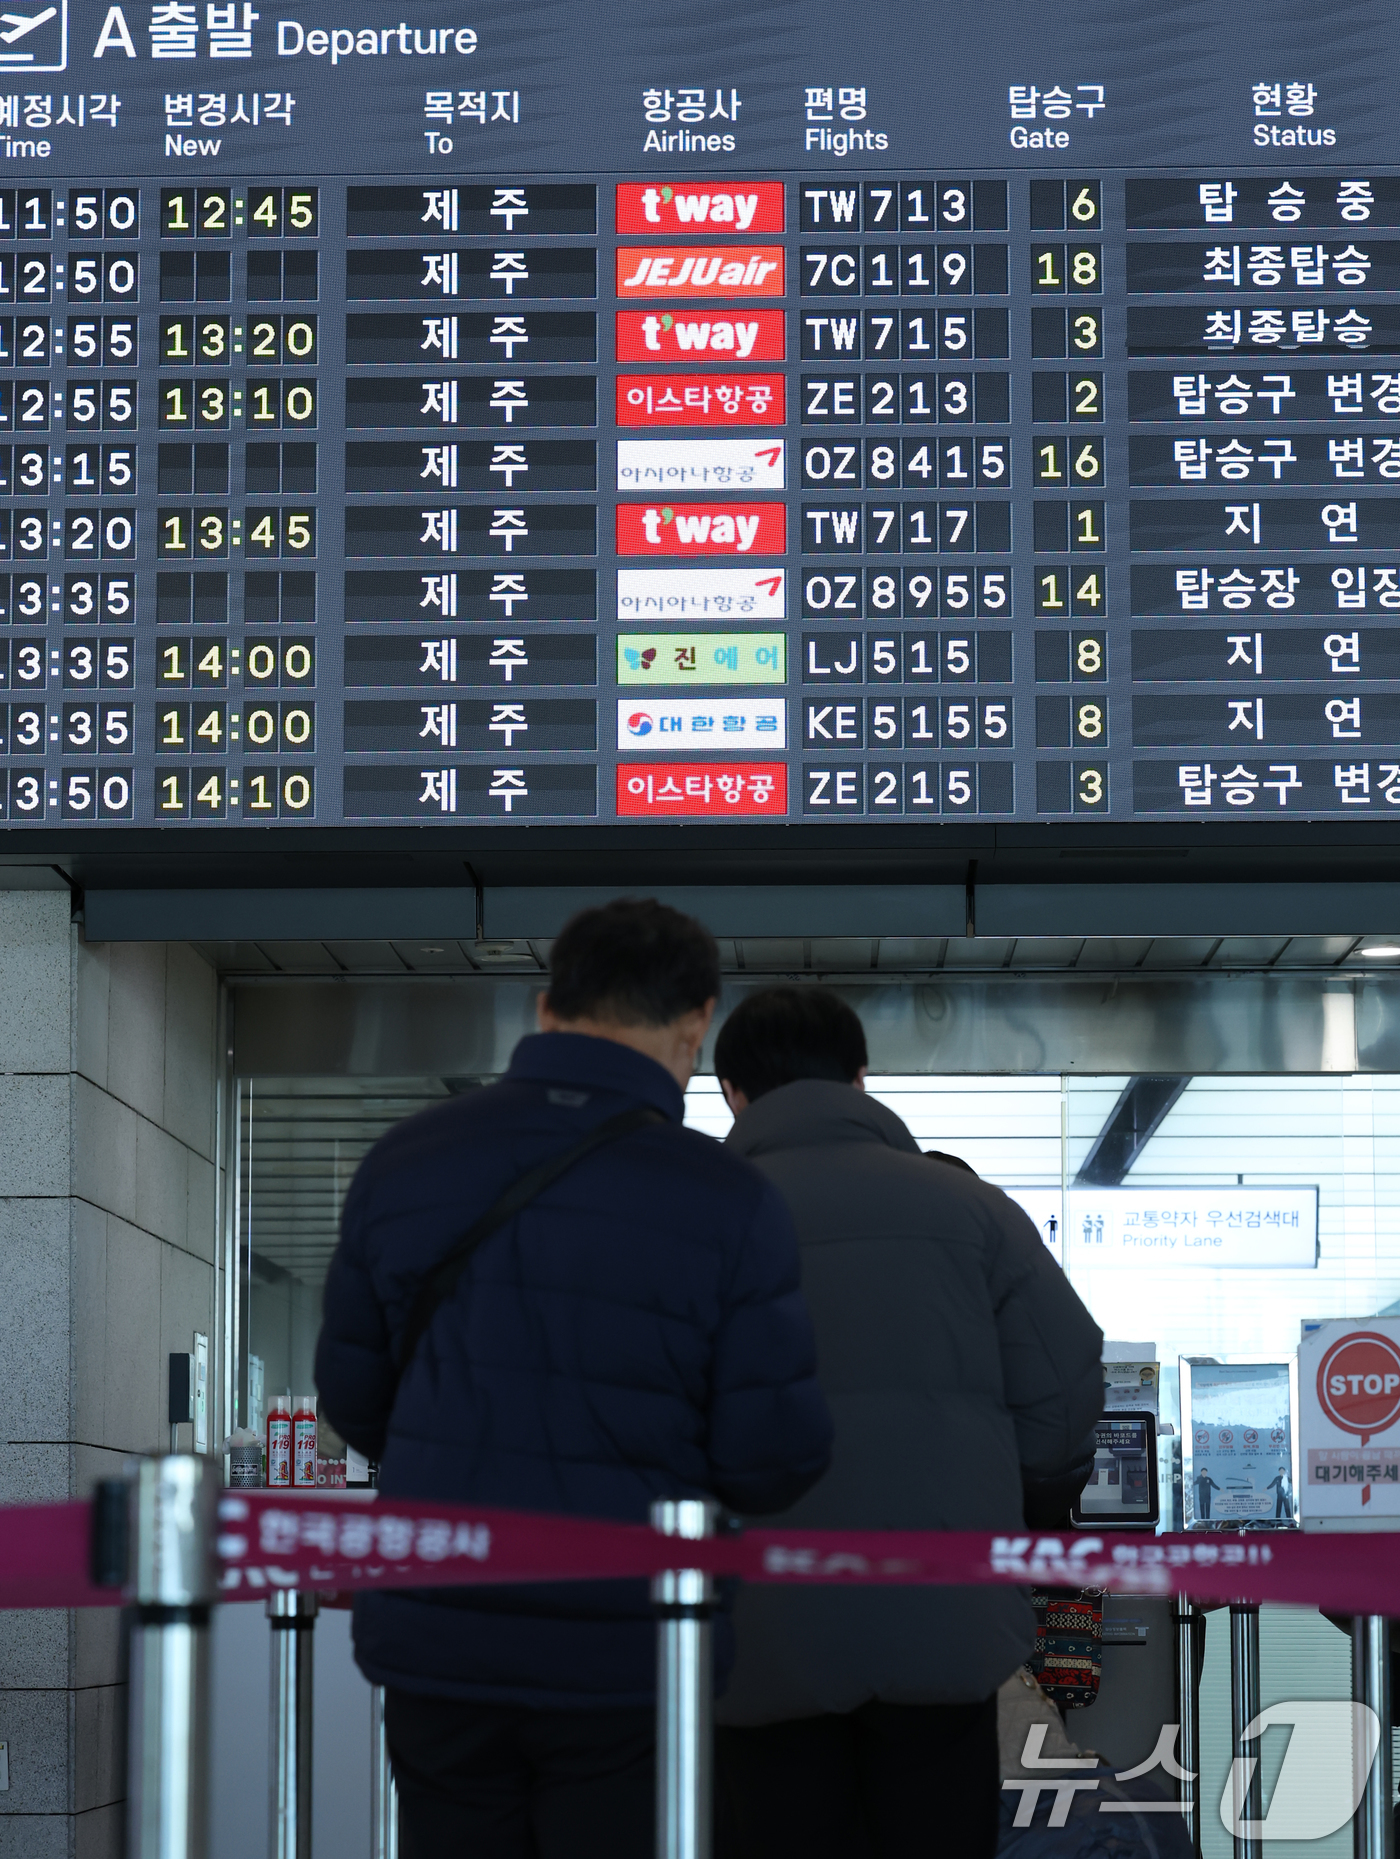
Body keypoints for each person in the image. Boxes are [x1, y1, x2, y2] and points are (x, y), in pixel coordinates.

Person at [314, 901, 833, 1859]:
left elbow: (354, 1403)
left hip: (442, 1638)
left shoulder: (405, 1161)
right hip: (627, 1650)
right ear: (694, 1024)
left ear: (548, 1009)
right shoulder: (727, 1199)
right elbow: (771, 1458)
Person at [710, 986, 1104, 1859]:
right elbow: (1067, 1387)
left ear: (732, 1090)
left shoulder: (691, 1223)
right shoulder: (974, 1212)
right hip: (942, 1612)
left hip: (757, 1626)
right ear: (859, 1077)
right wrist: (1022, 1497)